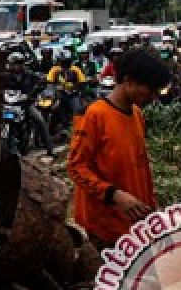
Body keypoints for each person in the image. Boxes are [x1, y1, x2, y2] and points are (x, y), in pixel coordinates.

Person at [67, 49, 171, 247]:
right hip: (105, 225)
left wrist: (150, 208)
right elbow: (76, 167)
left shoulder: (137, 114)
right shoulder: (94, 115)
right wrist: (113, 195)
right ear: (129, 81)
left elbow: (141, 166)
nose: (154, 97)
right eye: (151, 90)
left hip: (134, 224)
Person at [5, 51, 55, 155]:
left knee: (40, 120)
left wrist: (35, 91)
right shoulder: (5, 76)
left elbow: (42, 81)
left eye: (19, 63)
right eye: (14, 63)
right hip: (10, 105)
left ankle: (49, 148)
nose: (16, 66)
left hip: (26, 104)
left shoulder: (30, 75)